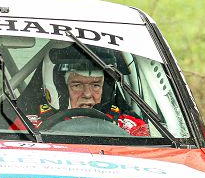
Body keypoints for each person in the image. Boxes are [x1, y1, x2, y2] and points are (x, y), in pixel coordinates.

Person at [18, 48, 149, 136]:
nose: (87, 94)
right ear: (58, 88)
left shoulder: (129, 127)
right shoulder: (28, 126)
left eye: (95, 85)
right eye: (77, 85)